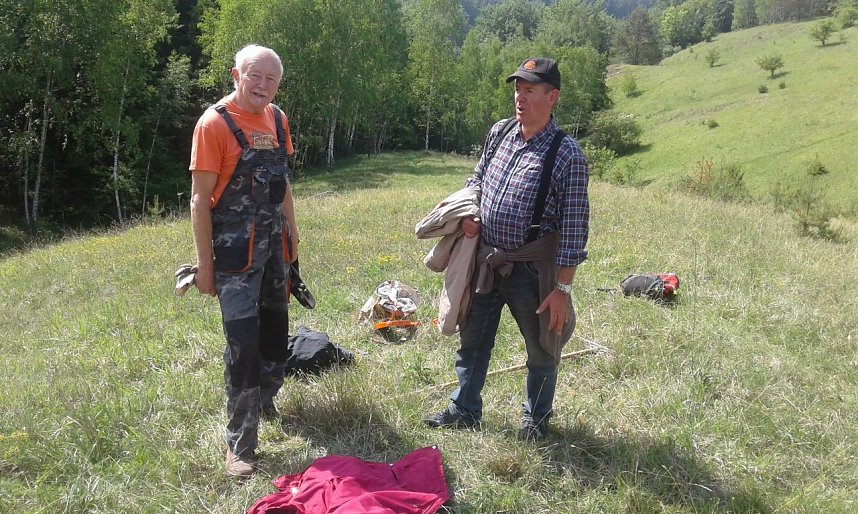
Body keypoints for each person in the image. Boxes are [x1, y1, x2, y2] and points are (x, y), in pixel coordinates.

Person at [424, 57, 590, 441]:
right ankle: (465, 408)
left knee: (543, 348)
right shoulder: (500, 133)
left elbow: (574, 230)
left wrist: (561, 290)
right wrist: (470, 214)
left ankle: (535, 420)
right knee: (473, 338)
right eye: (518, 88)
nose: (520, 97)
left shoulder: (567, 155)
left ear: (552, 98)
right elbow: (477, 179)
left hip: (531, 271)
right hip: (484, 259)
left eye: (529, 90)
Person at [189, 44, 298, 477]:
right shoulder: (213, 124)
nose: (263, 85)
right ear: (236, 75)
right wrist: (204, 266)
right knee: (242, 347)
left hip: (274, 251)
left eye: (271, 79)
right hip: (234, 257)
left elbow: (283, 183)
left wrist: (294, 238)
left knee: (275, 332)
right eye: (255, 75)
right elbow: (200, 201)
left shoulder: (278, 119)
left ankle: (265, 402)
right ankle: (239, 447)